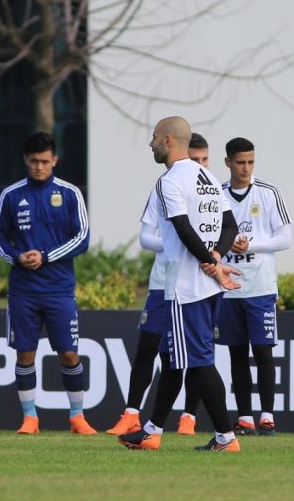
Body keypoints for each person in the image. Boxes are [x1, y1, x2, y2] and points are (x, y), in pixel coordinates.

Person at [119, 116, 242, 452]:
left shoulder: (169, 180)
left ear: (169, 140)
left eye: (155, 137)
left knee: (199, 361)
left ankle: (226, 438)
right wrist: (216, 258)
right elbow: (230, 226)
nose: (151, 143)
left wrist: (212, 265)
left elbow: (183, 229)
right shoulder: (207, 176)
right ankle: (151, 431)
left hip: (186, 287)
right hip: (206, 285)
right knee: (173, 356)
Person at [0, 131, 97, 435]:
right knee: (25, 353)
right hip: (23, 290)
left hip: (60, 289)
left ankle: (77, 417)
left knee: (68, 353)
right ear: (26, 160)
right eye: (34, 161)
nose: (40, 167)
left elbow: (82, 238)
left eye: (45, 161)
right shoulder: (11, 195)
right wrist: (16, 257)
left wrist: (46, 256)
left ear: (55, 160)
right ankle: (30, 418)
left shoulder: (69, 193)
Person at [106, 133, 210, 436]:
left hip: (199, 284)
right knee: (150, 347)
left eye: (205, 159)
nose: (200, 164)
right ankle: (131, 415)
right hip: (163, 283)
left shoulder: (211, 190)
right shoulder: (165, 186)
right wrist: (178, 241)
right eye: (196, 158)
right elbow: (145, 237)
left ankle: (188, 417)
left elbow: (217, 237)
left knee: (192, 355)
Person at [216, 137, 291, 436]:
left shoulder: (268, 192)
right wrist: (225, 245)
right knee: (236, 354)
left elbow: (285, 237)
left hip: (260, 286)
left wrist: (252, 245)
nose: (246, 168)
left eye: (250, 162)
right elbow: (204, 236)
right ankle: (245, 417)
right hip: (229, 287)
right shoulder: (217, 195)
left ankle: (268, 417)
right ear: (228, 163)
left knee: (263, 352)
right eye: (240, 162)